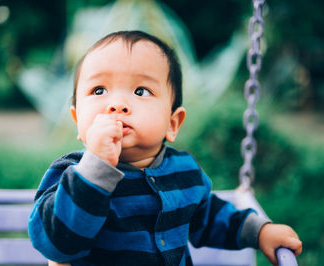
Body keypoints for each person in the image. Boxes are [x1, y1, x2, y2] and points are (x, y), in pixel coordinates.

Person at [28, 30, 302, 266]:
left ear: (173, 123)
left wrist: (259, 232)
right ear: (78, 122)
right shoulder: (72, 174)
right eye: (99, 90)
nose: (117, 104)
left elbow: (210, 217)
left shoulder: (185, 171)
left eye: (141, 91)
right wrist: (95, 169)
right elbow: (56, 243)